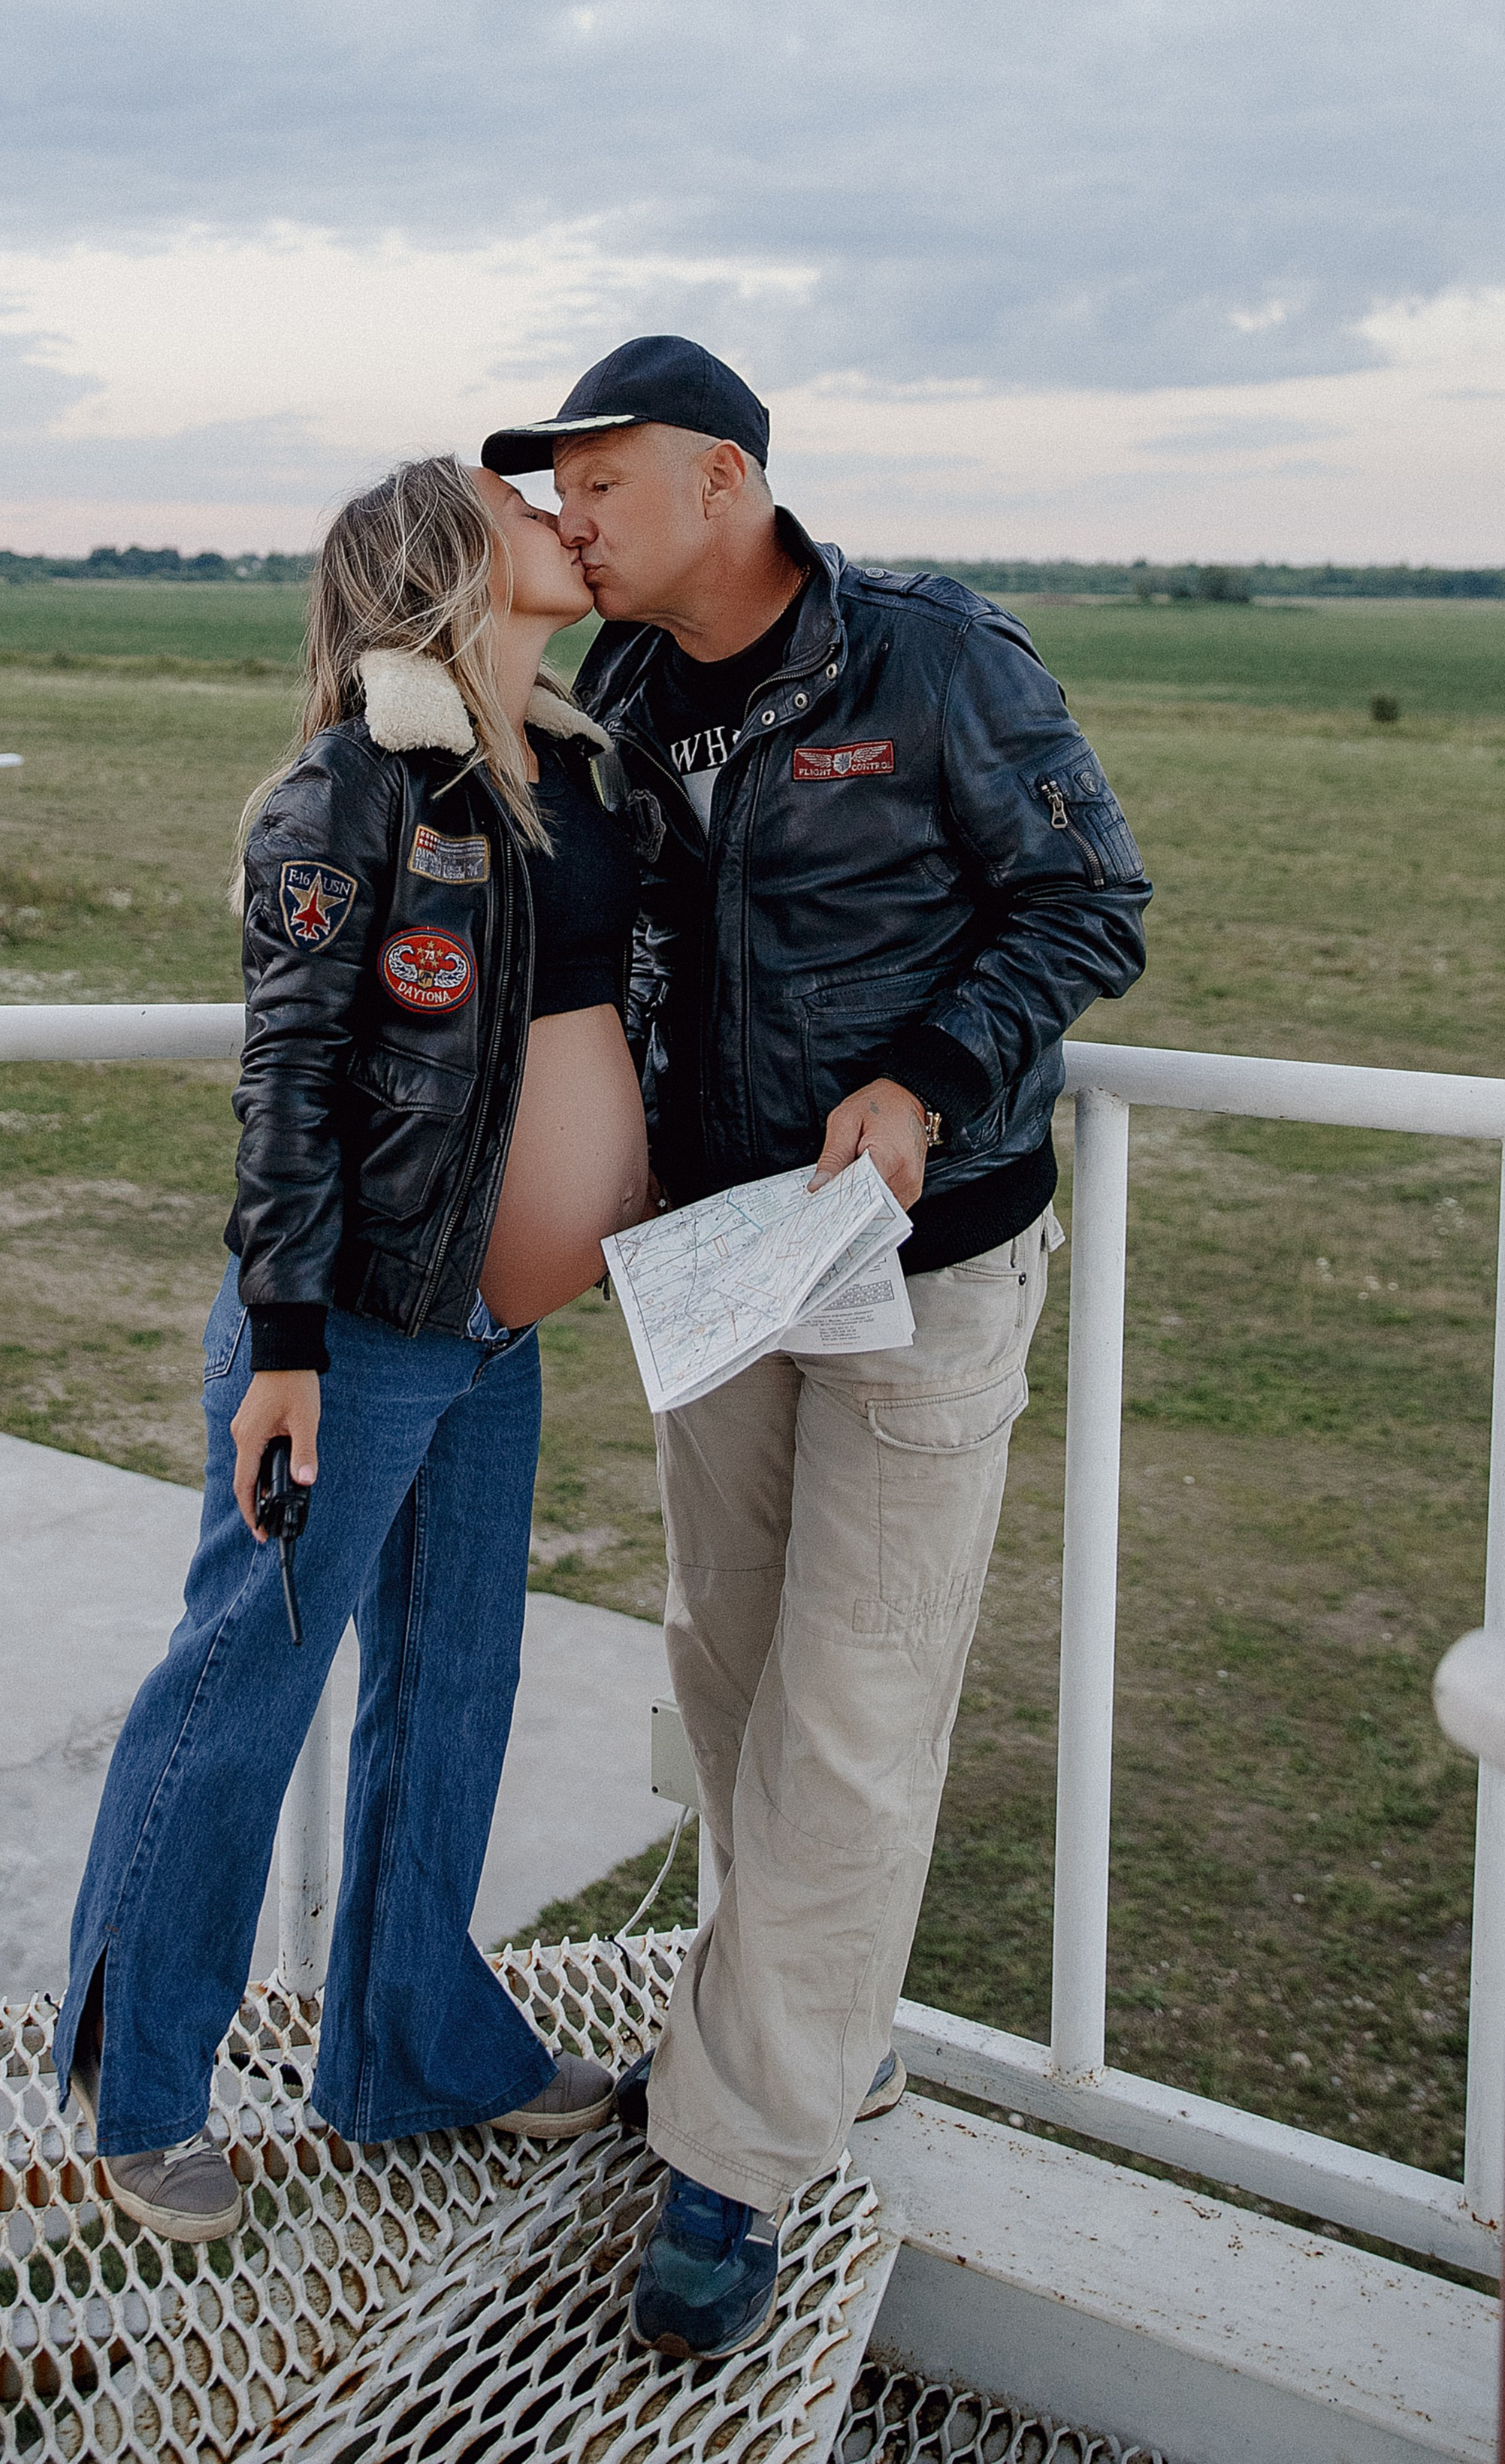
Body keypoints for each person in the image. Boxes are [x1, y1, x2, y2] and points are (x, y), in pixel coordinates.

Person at [481, 338, 1152, 2357]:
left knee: (855, 1705)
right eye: (557, 493)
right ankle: (813, 2044)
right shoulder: (608, 695)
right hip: (721, 1258)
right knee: (733, 1659)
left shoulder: (935, 661)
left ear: (725, 480)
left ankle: (733, 2162)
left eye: (599, 485)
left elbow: (1087, 901)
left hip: (925, 1259)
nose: (571, 522)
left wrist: (927, 1082)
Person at [54, 453, 652, 2239]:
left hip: (497, 1329)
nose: (567, 520)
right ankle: (139, 2077)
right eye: (528, 512)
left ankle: (409, 2045)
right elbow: (289, 1078)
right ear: (447, 568)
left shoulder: (570, 755)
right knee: (243, 1688)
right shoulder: (353, 787)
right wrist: (289, 1342)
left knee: (455, 1686)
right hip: (361, 1329)